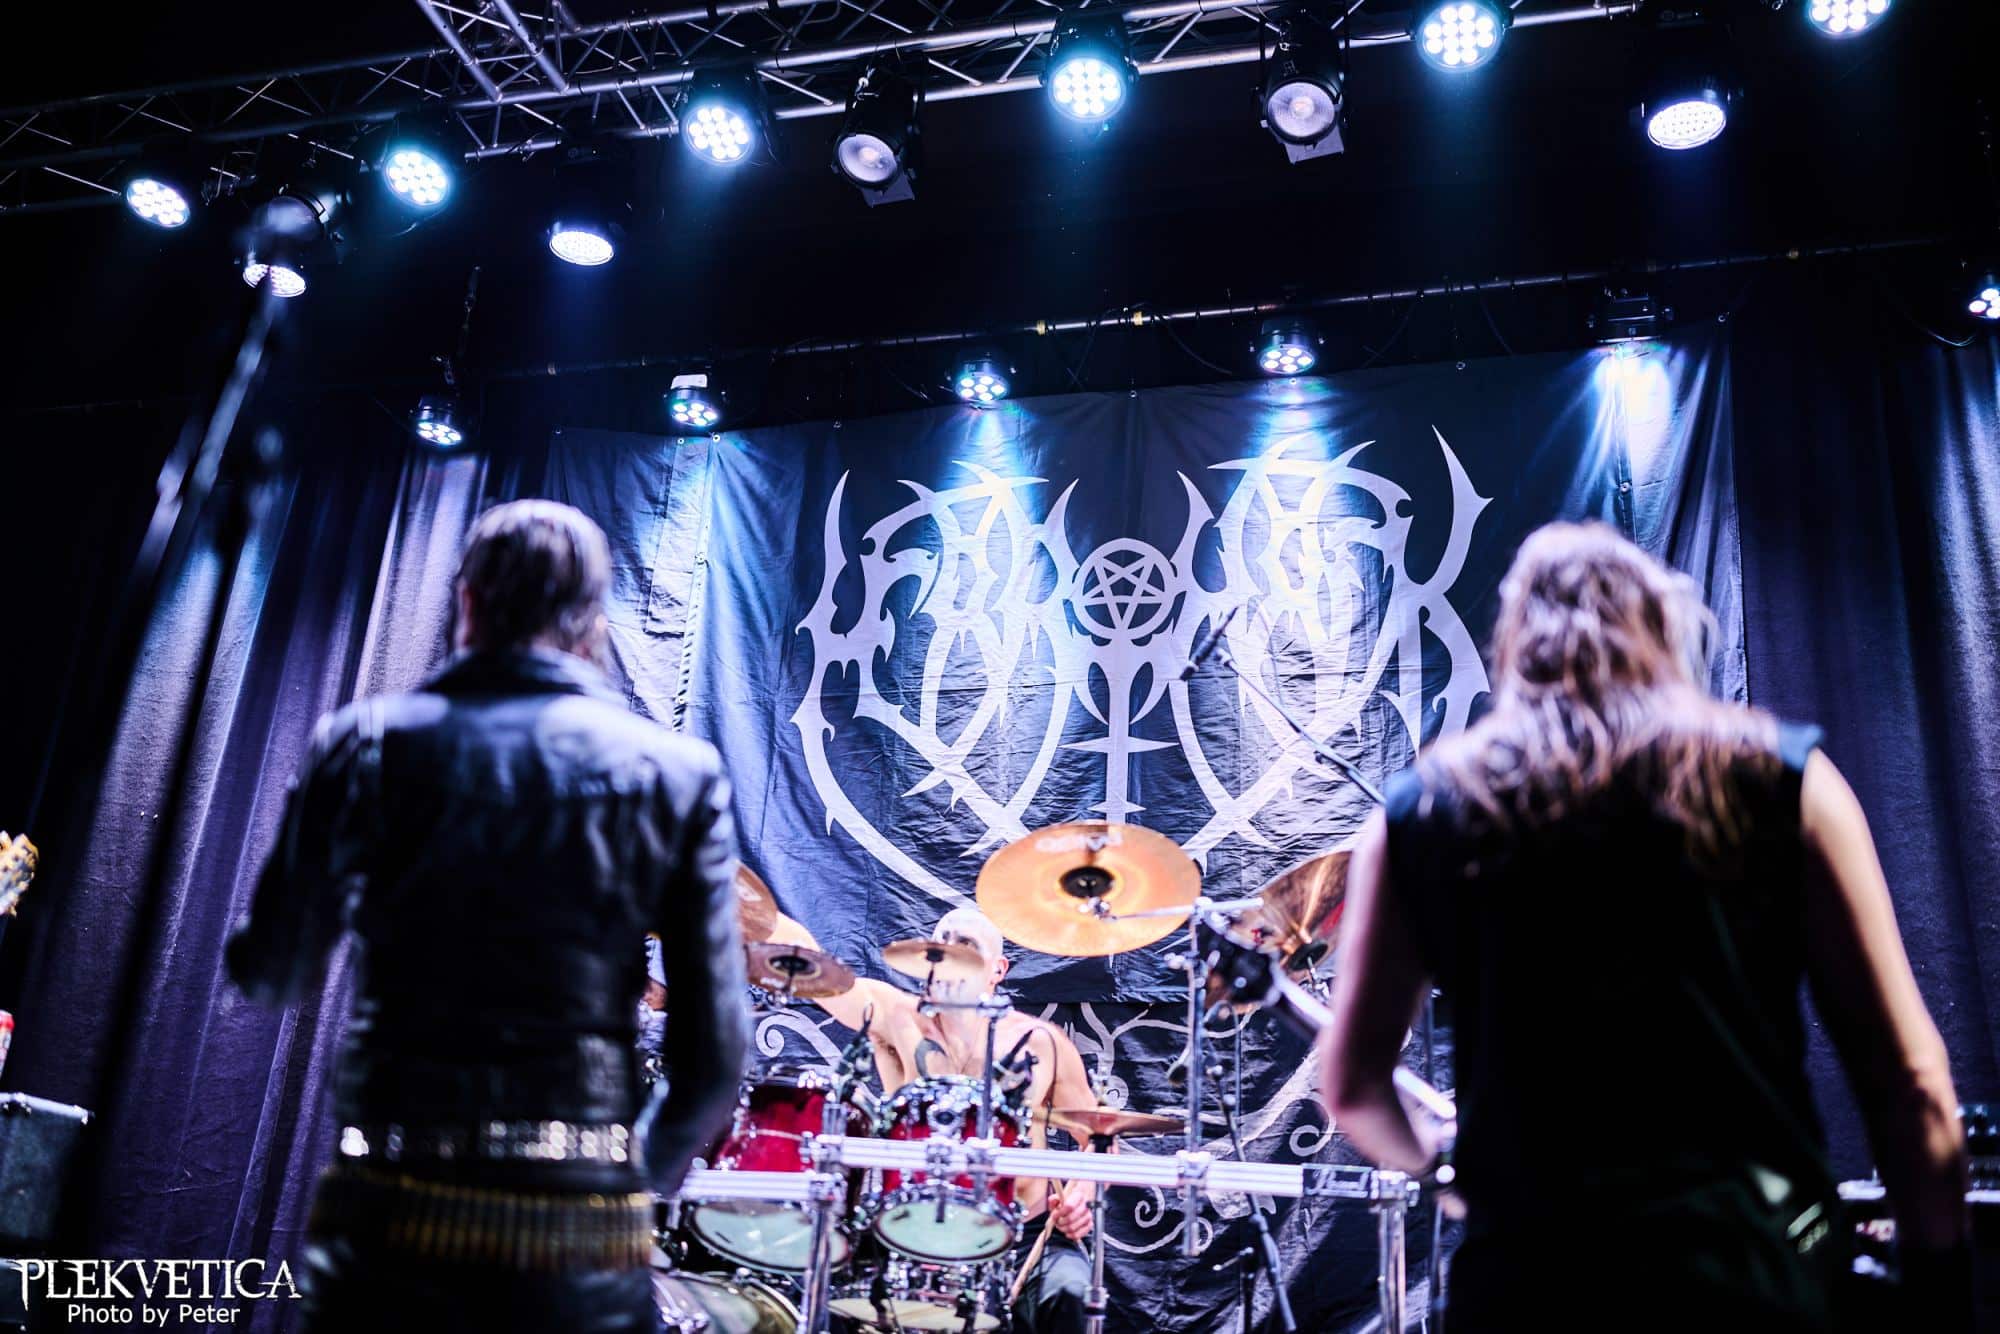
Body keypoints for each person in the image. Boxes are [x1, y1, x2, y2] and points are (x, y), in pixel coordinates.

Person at [1319, 521, 1970, 1332]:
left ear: (1514, 647)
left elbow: (1352, 1086)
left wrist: (1448, 1172)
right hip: (1749, 1278)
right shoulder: (1785, 780)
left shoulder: (1418, 814)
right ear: (1662, 630)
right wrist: (1940, 1285)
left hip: (1529, 1285)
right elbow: (1910, 1082)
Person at [228, 499, 749, 1334]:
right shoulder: (675, 772)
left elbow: (271, 974)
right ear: (592, 621)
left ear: (466, 600)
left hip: (389, 1226)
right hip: (577, 1247)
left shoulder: (363, 743)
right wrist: (623, 1190)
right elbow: (714, 1062)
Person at [770, 905, 1100, 1334]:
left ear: (997, 970)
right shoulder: (896, 1015)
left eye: (966, 944)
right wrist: (752, 909)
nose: (949, 951)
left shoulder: (1041, 1042)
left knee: (1072, 1292)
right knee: (835, 1293)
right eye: (941, 942)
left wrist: (1080, 1195)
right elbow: (818, 973)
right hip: (913, 1232)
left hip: (1024, 1237)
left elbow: (1099, 1137)